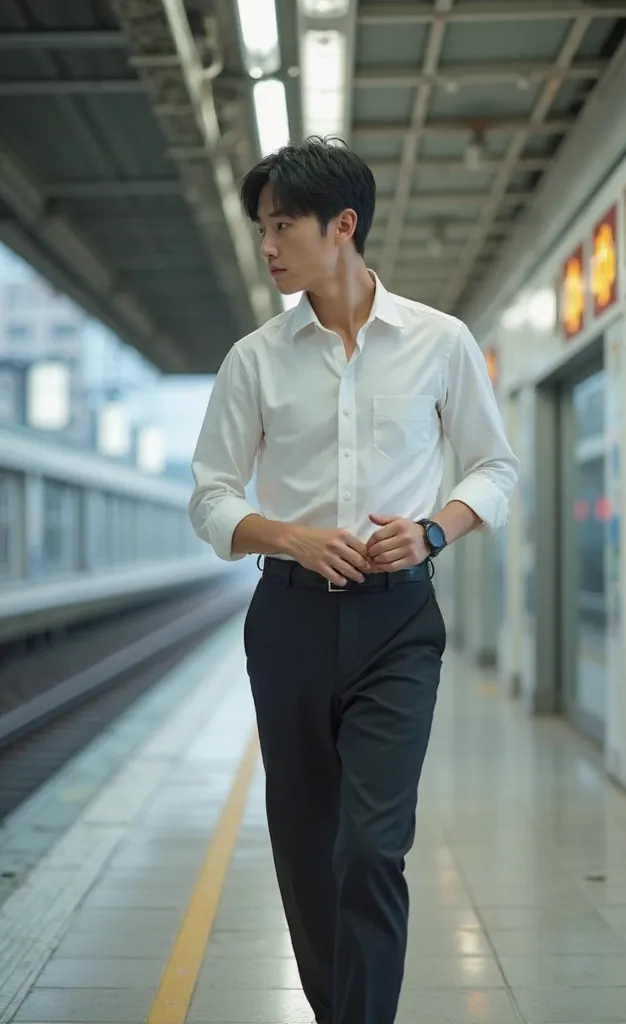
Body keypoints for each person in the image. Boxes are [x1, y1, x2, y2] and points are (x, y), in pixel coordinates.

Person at [188, 136, 518, 1024]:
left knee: (370, 850)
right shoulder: (253, 360)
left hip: (399, 625)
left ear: (343, 227)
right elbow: (211, 497)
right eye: (262, 226)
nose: (267, 245)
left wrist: (433, 532)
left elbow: (494, 470)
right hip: (288, 625)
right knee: (305, 850)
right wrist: (288, 536)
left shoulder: (440, 342)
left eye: (281, 225)